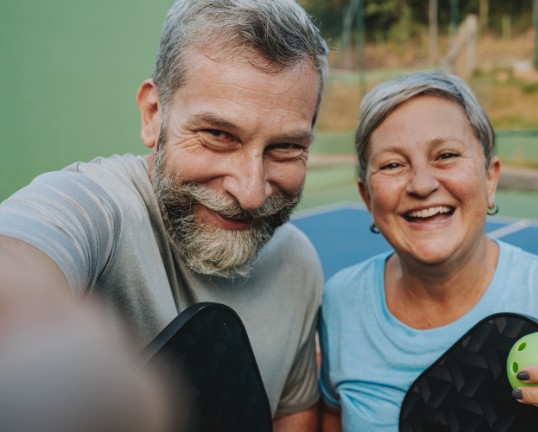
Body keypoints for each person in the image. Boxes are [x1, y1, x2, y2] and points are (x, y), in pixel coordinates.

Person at [0, 0, 328, 430]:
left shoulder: (298, 262)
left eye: (285, 148)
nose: (250, 193)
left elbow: (291, 414)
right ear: (154, 114)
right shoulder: (94, 209)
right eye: (218, 135)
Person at [318, 71, 538, 431]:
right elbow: (332, 416)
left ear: (490, 178)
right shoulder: (341, 300)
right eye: (393, 164)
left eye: (445, 155)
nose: (422, 185)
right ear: (367, 197)